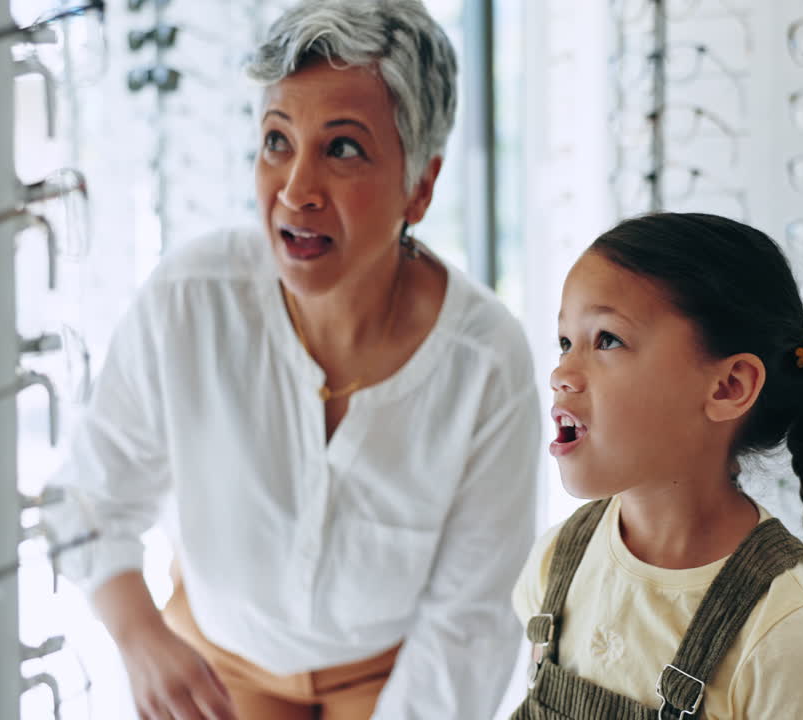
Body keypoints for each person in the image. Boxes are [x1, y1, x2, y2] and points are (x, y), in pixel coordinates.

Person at [44, 1, 541, 718]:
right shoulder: (190, 300)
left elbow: (468, 627)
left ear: (422, 187)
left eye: (342, 149)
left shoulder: (485, 363)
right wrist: (139, 633)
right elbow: (84, 503)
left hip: (394, 683)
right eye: (277, 140)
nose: (295, 189)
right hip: (219, 674)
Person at [511, 213, 803, 719]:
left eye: (607, 340)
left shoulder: (795, 632)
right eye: (565, 342)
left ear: (729, 387)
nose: (562, 374)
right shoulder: (557, 561)